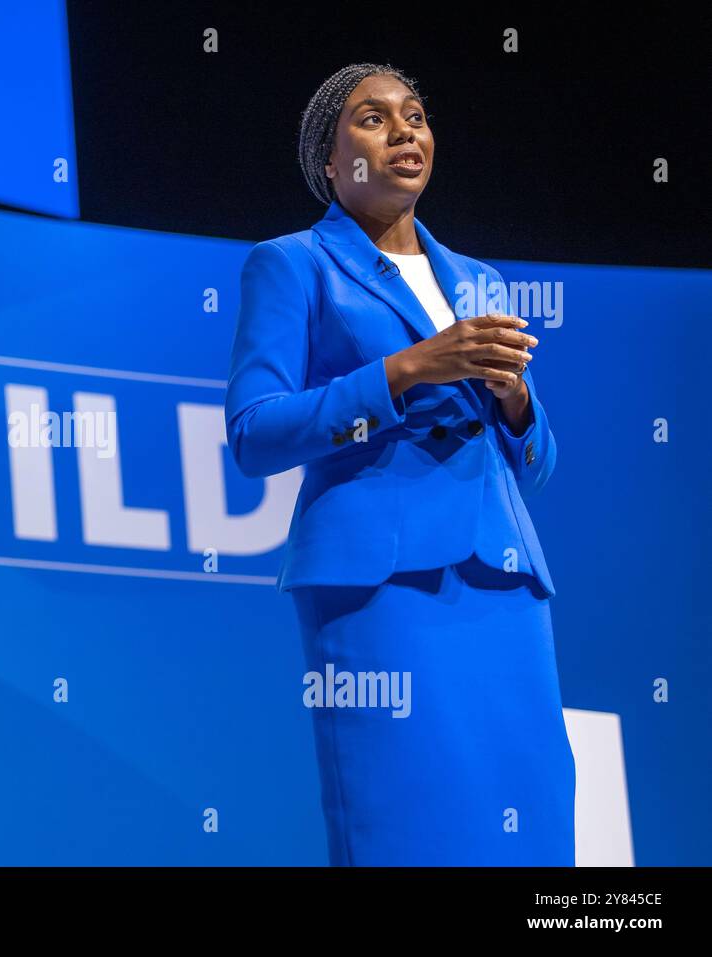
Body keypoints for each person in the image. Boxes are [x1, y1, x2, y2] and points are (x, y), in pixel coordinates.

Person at [225, 62, 576, 865]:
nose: (403, 131)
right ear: (329, 160)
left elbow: (536, 465)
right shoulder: (292, 264)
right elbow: (254, 434)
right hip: (380, 585)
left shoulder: (478, 280)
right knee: (408, 820)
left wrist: (517, 400)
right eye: (373, 119)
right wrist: (406, 370)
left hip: (505, 579)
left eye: (414, 116)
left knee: (532, 814)